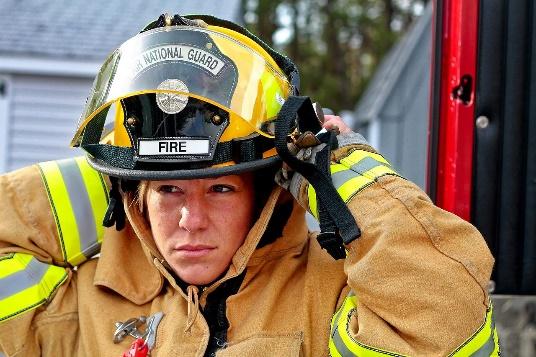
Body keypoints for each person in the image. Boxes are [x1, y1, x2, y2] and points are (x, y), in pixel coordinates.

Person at [0, 13, 498, 357]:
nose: (190, 222)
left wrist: (342, 171)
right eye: (167, 191)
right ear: (133, 198)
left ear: (265, 190)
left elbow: (448, 332)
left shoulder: (333, 293)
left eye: (220, 189)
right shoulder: (80, 303)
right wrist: (110, 175)